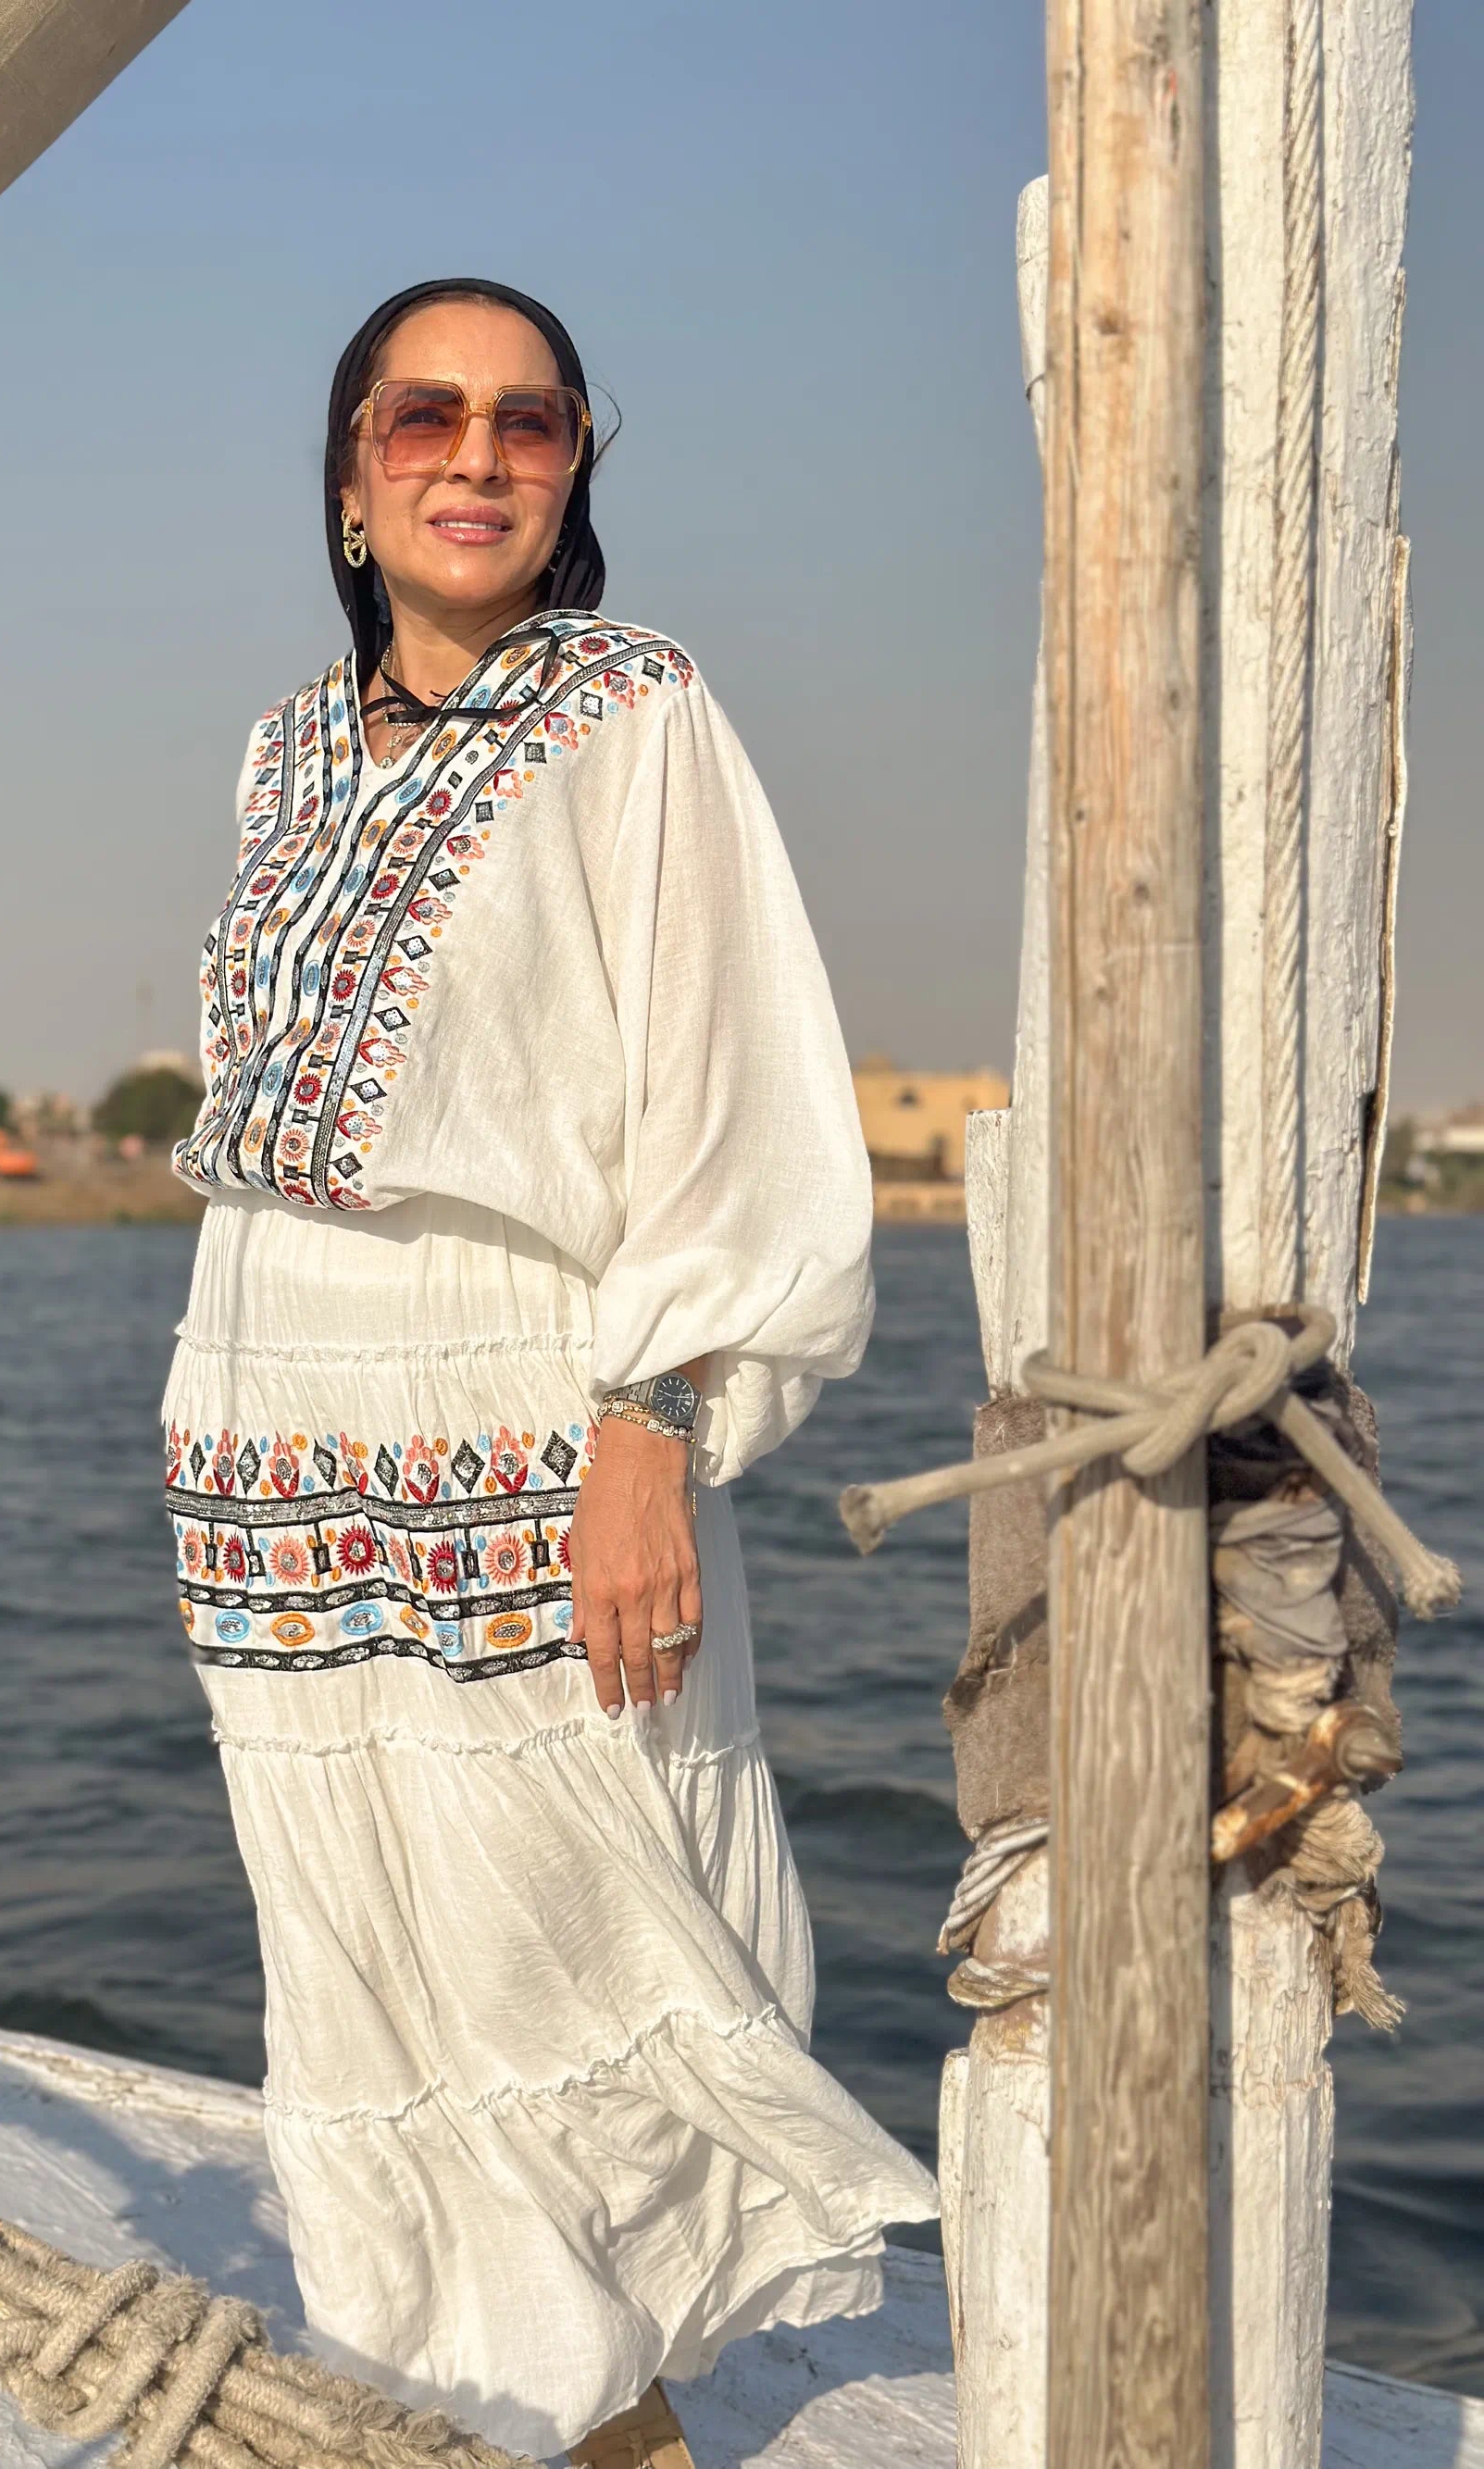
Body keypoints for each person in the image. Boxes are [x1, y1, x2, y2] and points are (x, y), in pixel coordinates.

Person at [161, 276, 936, 2467]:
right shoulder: (281, 744)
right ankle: (487, 2400)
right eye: (426, 413)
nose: (476, 454)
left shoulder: (631, 706)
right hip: (269, 1395)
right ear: (348, 468)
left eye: (530, 420)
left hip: (513, 1388)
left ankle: (612, 2415)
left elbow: (731, 1091)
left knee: (580, 1907)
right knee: (367, 1939)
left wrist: (651, 1418)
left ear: (579, 465)